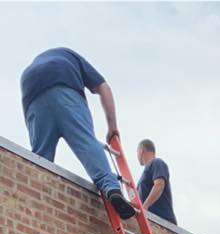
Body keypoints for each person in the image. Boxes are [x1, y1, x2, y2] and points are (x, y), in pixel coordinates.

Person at [20, 48, 135, 220]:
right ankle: (111, 187)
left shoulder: (38, 64)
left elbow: (29, 120)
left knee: (40, 158)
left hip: (30, 88)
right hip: (64, 85)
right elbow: (103, 88)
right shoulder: (71, 56)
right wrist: (113, 128)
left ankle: (35, 197)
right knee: (85, 141)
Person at [136, 139, 177, 225]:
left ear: (141, 150)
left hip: (164, 222)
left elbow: (159, 185)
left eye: (137, 152)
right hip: (150, 220)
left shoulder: (156, 162)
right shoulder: (143, 177)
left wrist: (144, 207)